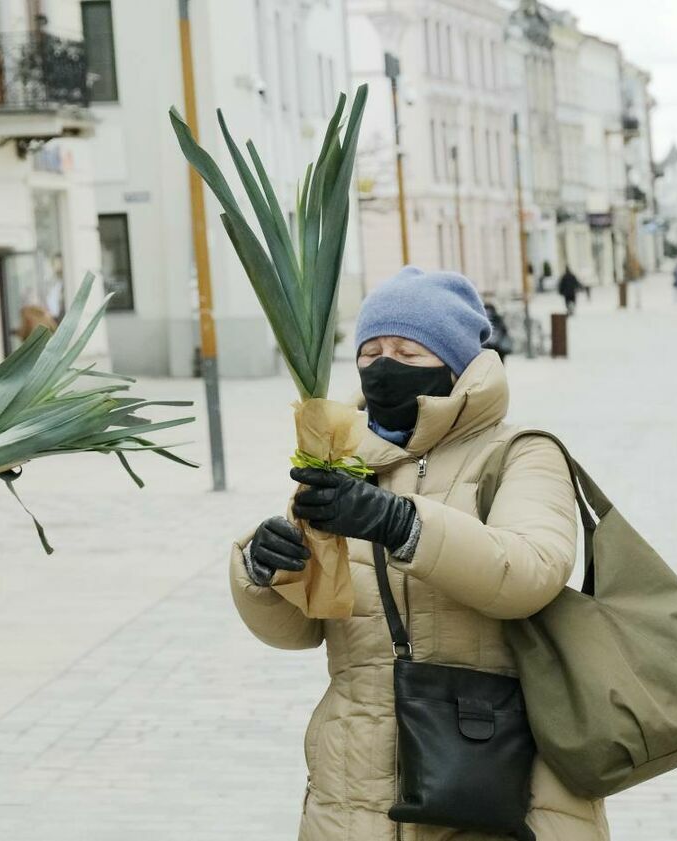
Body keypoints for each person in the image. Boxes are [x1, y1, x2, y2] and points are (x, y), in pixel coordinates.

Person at [230, 267, 606, 840]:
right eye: (370, 350)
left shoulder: (520, 453)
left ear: (455, 364)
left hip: (493, 775)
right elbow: (301, 630)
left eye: (407, 350)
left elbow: (530, 572)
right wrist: (264, 570)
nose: (384, 366)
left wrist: (401, 524)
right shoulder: (344, 461)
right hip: (353, 788)